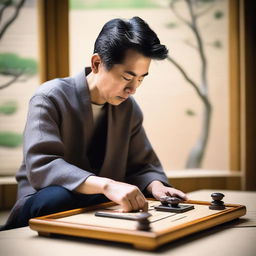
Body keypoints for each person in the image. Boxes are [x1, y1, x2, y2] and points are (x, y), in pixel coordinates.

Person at [2, 16, 187, 230]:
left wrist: (156, 187)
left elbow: (142, 165)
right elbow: (43, 165)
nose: (133, 89)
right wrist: (107, 185)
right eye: (127, 77)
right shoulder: (49, 97)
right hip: (44, 203)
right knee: (57, 197)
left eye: (141, 79)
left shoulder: (129, 108)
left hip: (98, 204)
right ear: (97, 63)